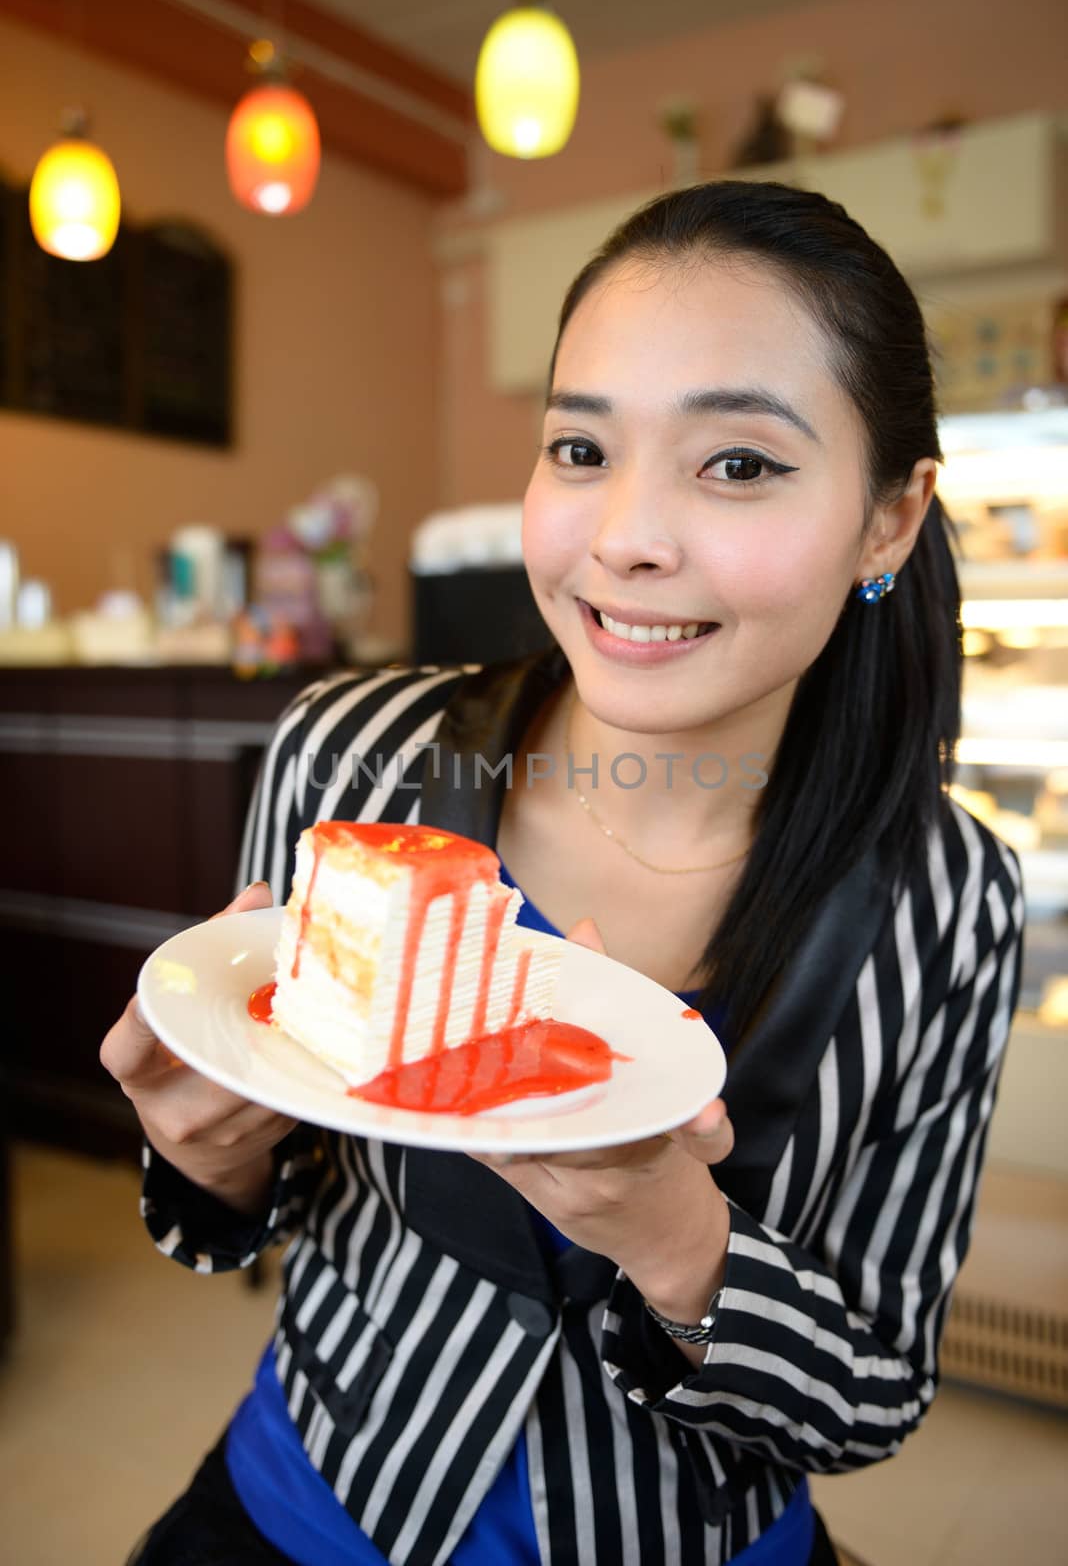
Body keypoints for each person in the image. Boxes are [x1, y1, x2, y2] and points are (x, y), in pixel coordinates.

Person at [101, 179, 1023, 1566]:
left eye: (740, 464)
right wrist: (203, 1159)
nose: (625, 537)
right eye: (581, 447)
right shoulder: (350, 759)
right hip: (303, 1517)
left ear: (889, 523)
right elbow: (267, 1210)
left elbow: (874, 1391)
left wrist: (682, 1250)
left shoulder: (950, 903)